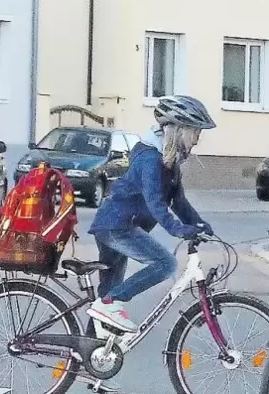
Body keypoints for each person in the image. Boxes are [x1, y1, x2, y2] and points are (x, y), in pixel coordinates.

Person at [86, 95, 216, 332]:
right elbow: (155, 201)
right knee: (164, 263)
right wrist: (176, 229)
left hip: (115, 225)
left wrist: (197, 223)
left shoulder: (168, 160)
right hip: (117, 227)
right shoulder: (150, 159)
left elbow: (178, 200)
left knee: (106, 302)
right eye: (196, 132)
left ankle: (88, 352)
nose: (198, 139)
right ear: (180, 130)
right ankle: (109, 303)